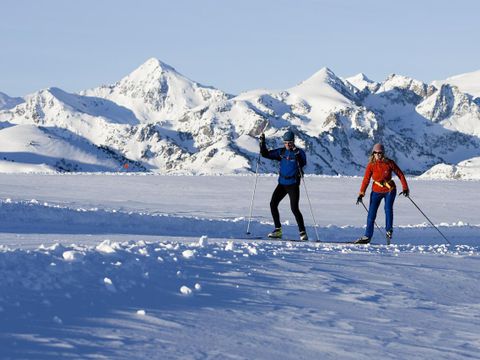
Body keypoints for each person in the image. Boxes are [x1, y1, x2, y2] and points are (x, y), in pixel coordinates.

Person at [260, 129, 308, 241]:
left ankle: (302, 232)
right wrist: (262, 143)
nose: (287, 144)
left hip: (293, 184)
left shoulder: (299, 153)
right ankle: (278, 230)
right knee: (273, 204)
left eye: (290, 142)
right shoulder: (281, 152)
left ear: (293, 142)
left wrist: (297, 154)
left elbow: (303, 162)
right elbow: (265, 154)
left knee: (294, 208)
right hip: (282, 184)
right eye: (285, 142)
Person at [356, 143, 409, 244]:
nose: (378, 154)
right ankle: (367, 236)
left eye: (380, 153)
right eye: (376, 153)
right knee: (371, 214)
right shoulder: (371, 165)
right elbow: (366, 180)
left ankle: (389, 230)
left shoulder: (389, 163)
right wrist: (361, 194)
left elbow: (400, 174)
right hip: (376, 191)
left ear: (383, 153)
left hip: (389, 190)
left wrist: (405, 188)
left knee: (388, 209)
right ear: (373, 154)